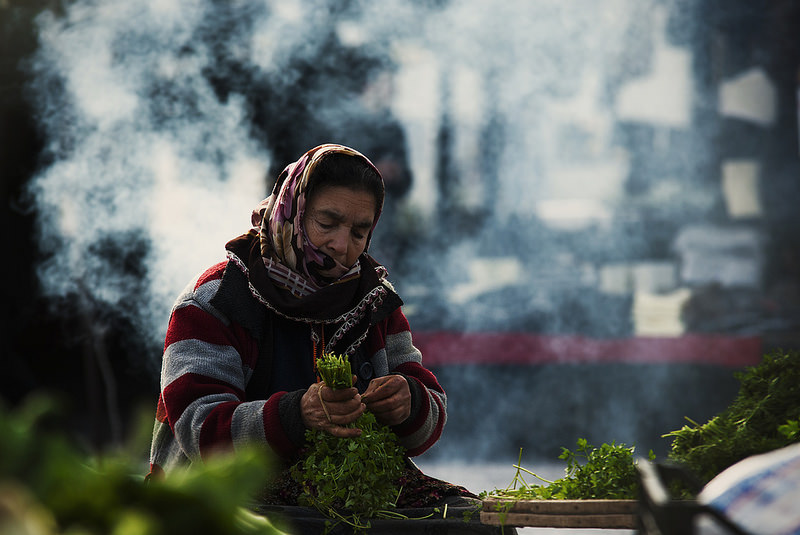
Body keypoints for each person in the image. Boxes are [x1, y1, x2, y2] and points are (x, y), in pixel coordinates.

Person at [146, 144, 474, 509]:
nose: (342, 246)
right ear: (292, 212)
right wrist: (296, 415)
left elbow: (429, 416)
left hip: (339, 496)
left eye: (359, 232)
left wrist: (409, 402)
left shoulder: (374, 300)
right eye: (327, 224)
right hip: (218, 498)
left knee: (474, 522)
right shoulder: (214, 301)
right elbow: (200, 429)